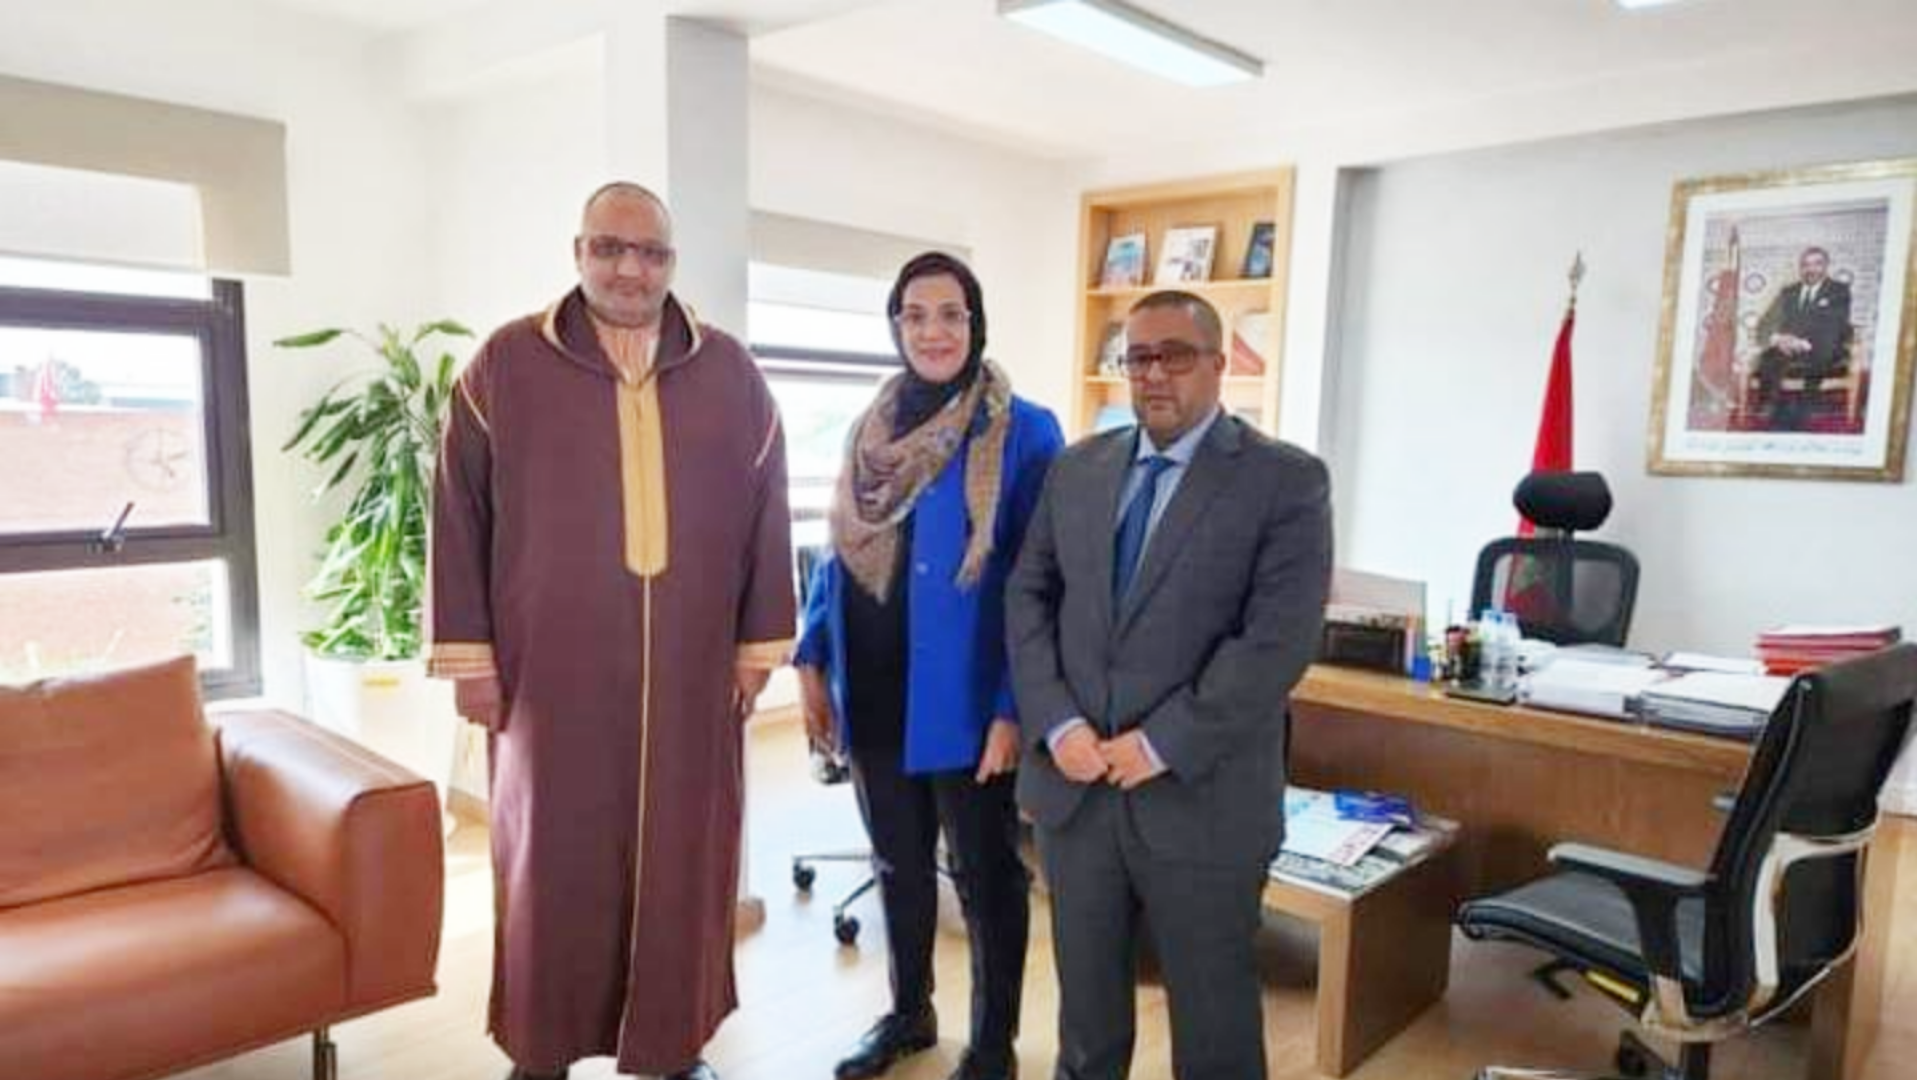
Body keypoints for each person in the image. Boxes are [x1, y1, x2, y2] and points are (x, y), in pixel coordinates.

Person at [428, 181, 795, 1080]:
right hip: (547, 675)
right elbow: (458, 515)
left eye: (651, 253)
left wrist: (756, 649)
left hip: (692, 675)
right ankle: (542, 1047)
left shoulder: (730, 373)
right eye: (610, 248)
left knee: (684, 860)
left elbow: (767, 513)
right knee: (550, 861)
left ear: (671, 262)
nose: (631, 270)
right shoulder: (505, 365)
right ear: (578, 252)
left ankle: (673, 1046)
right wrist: (471, 661)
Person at [1006, 291, 1332, 1080]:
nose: (1153, 374)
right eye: (1138, 357)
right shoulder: (1077, 468)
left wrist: (1161, 742)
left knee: (1215, 1031)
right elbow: (1027, 596)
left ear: (1218, 365)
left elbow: (1275, 643)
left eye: (1175, 355)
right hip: (1078, 793)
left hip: (1201, 799)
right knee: (1085, 1028)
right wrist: (1057, 723)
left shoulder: (1284, 481)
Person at [794, 252, 1063, 1080]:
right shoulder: (870, 427)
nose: (932, 331)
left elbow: (1040, 580)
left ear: (975, 324)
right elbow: (838, 551)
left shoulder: (1023, 430)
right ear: (895, 325)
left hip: (964, 701)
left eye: (950, 313)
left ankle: (991, 1045)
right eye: (914, 314)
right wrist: (810, 658)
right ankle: (909, 1013)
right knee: (897, 866)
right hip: (872, 688)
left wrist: (1012, 707)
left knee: (985, 877)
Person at [1751, 245, 1853, 430]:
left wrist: (1802, 342)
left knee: (1823, 350)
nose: (1811, 269)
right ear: (1801, 268)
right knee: (1769, 356)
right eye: (1806, 265)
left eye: (1817, 264)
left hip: (1822, 346)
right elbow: (1765, 323)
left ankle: (1808, 405)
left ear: (1826, 266)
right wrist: (1779, 338)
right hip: (1788, 346)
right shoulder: (1788, 292)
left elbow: (1835, 325)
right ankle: (1768, 404)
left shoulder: (1839, 291)